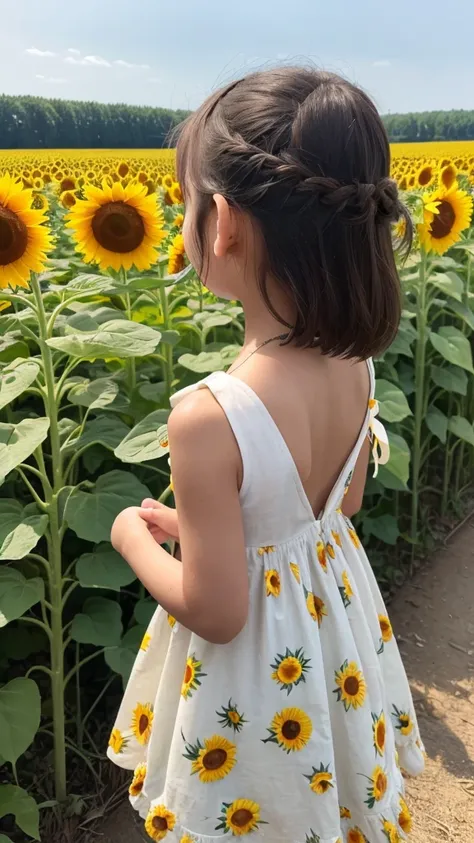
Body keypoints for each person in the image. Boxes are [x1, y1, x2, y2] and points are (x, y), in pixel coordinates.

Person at [108, 66, 424, 843]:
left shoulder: (209, 415)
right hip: (333, 643)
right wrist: (218, 532)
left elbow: (218, 612)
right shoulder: (357, 362)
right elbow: (335, 508)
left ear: (223, 223)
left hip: (256, 684)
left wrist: (131, 535)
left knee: (254, 811)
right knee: (328, 796)